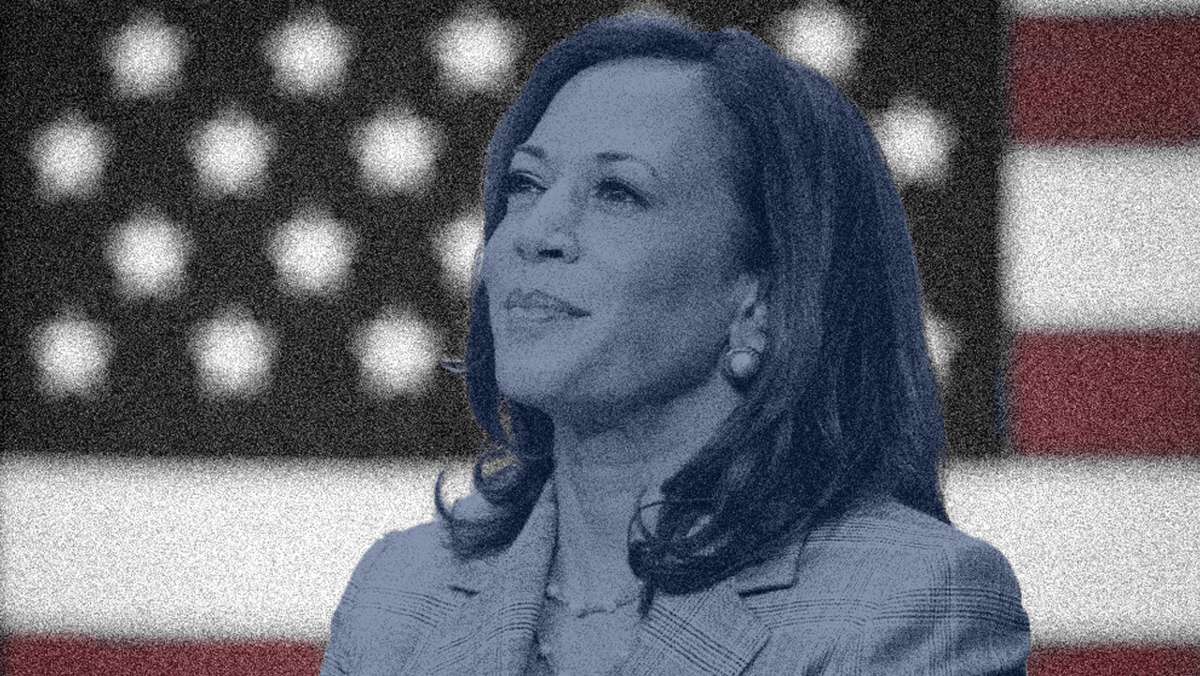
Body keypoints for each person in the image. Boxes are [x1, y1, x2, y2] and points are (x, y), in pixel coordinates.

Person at [319, 12, 1030, 676]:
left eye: (617, 192)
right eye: (526, 184)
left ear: (763, 298)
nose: (534, 233)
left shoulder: (909, 602)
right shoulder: (398, 595)